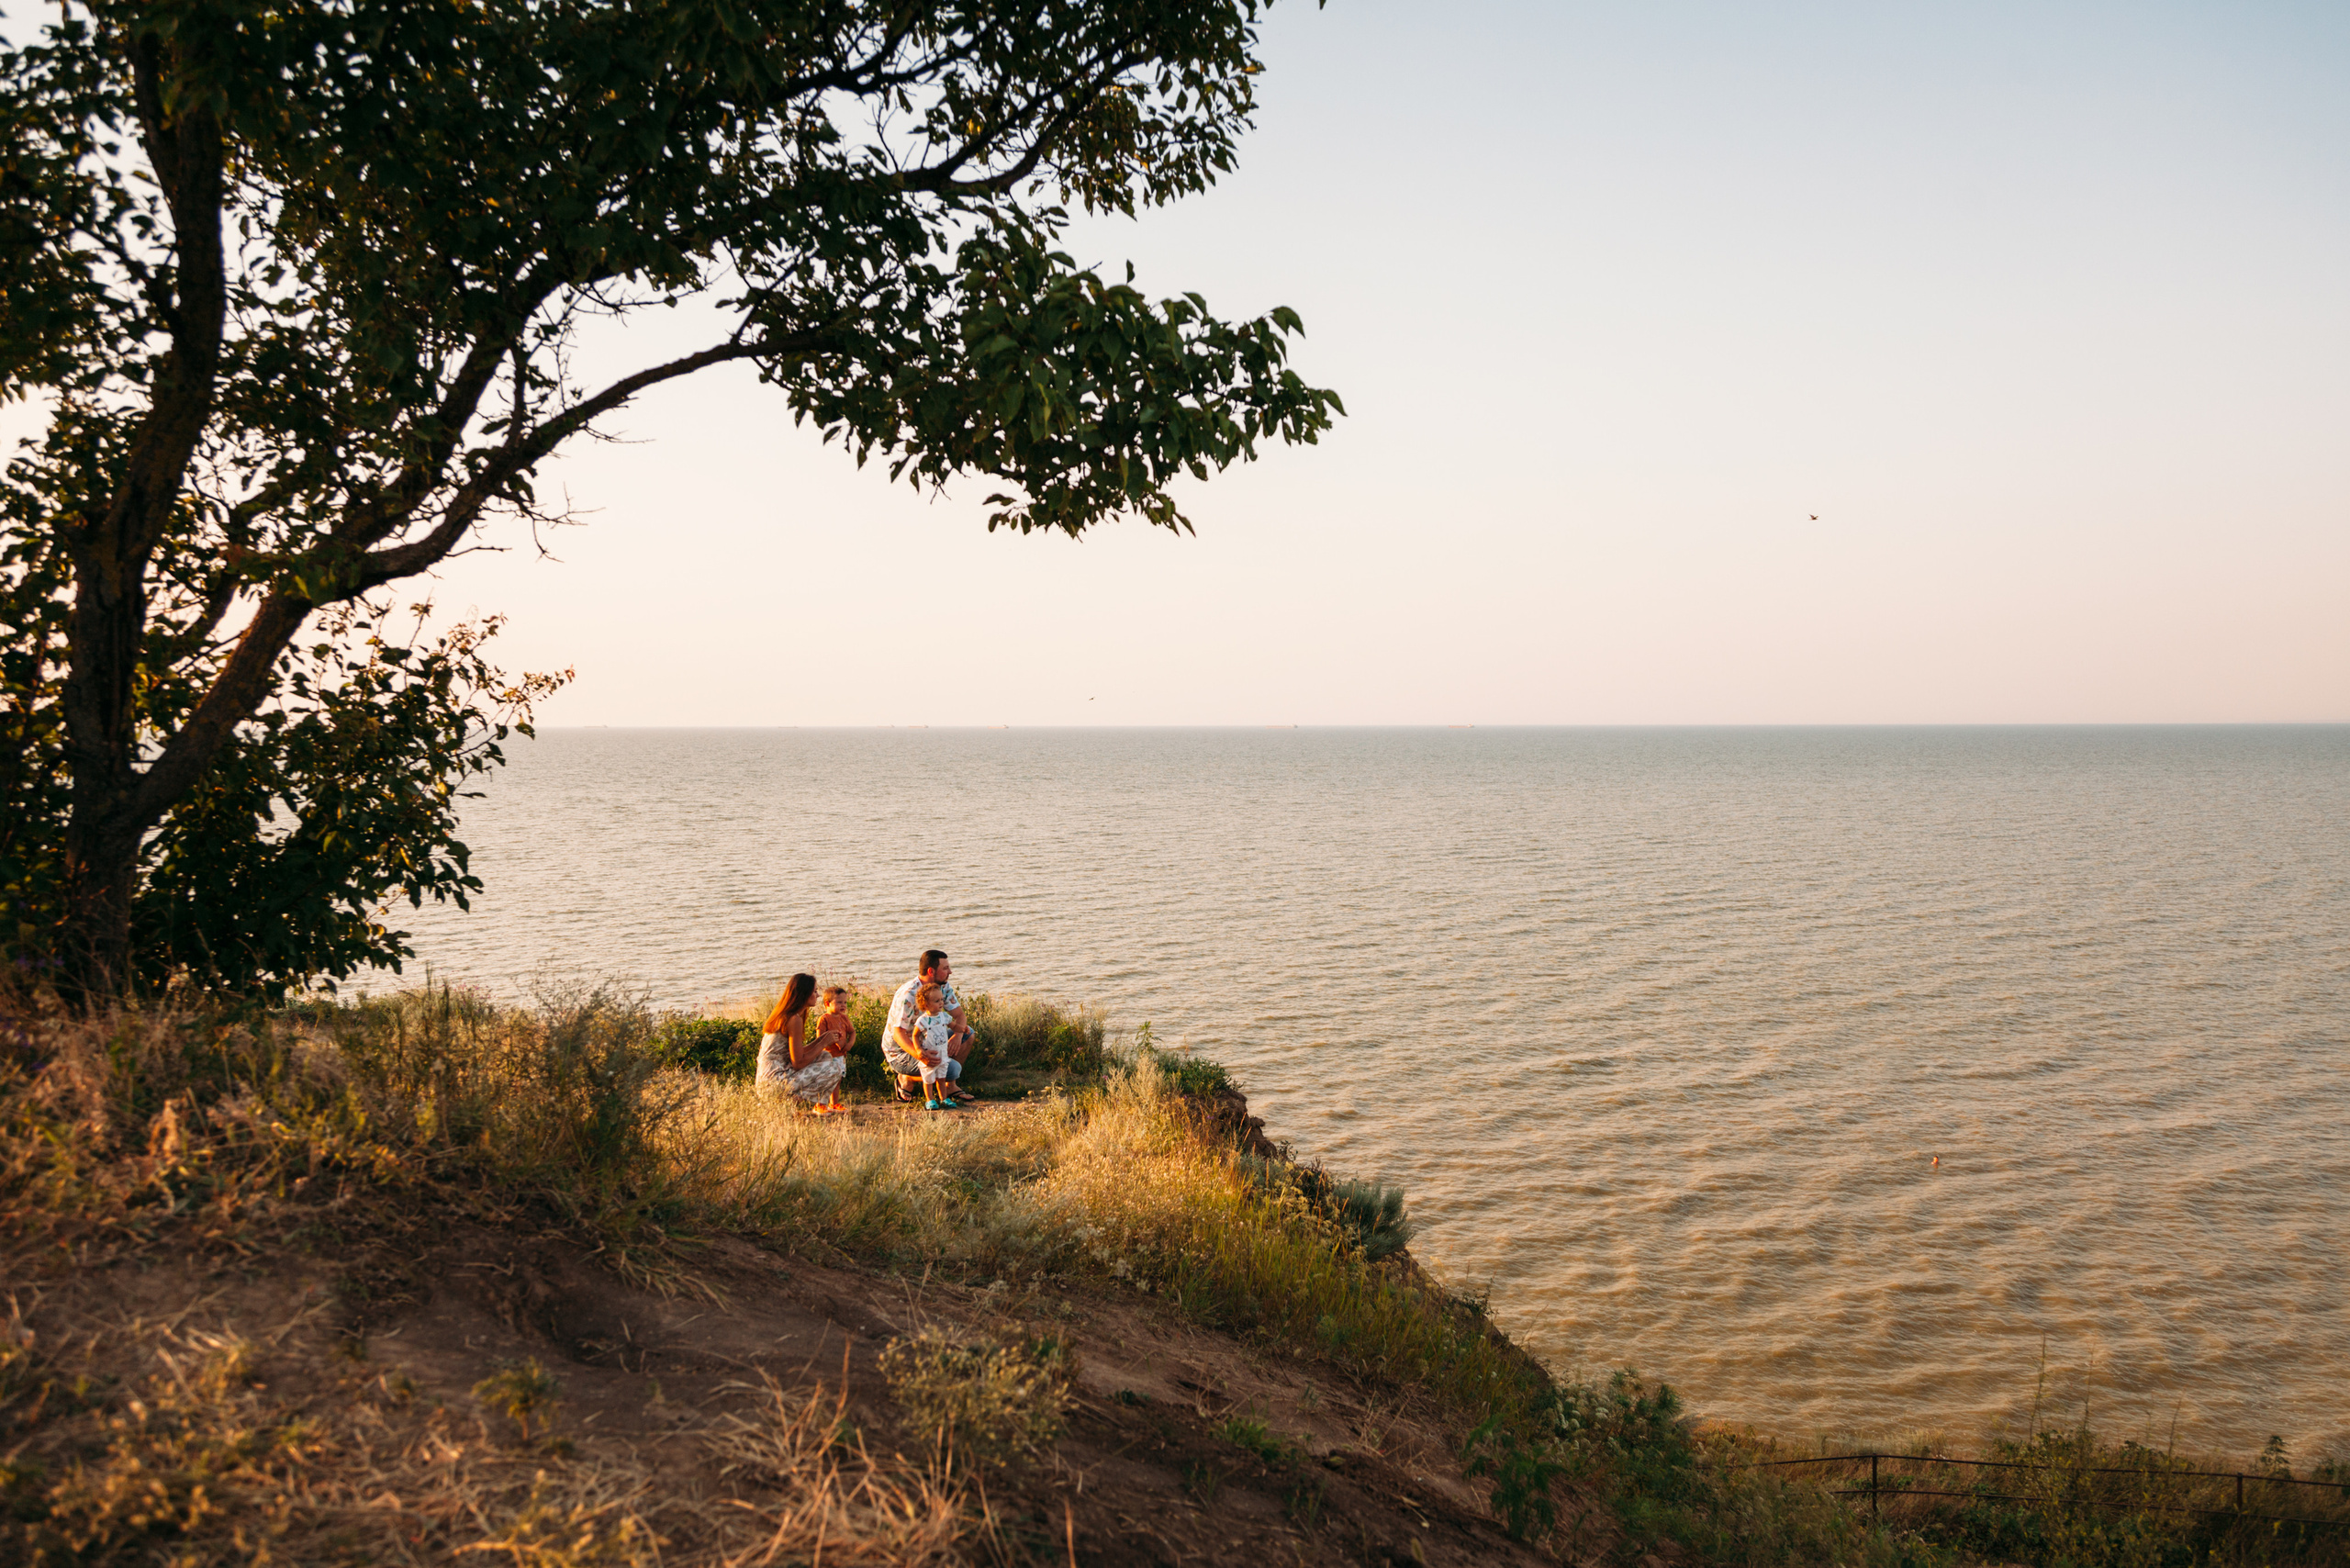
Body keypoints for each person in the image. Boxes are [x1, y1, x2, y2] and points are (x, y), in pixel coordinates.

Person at [883, 948, 975, 1103]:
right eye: (945, 968)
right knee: (952, 1069)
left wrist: (957, 1036)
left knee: (968, 1033)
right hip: (900, 1052)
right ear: (931, 971)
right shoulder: (909, 994)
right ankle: (906, 1078)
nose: (950, 972)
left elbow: (960, 1016)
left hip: (930, 1040)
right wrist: (920, 1054)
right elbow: (898, 1034)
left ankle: (950, 1086)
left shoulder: (943, 987)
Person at [755, 972, 846, 1112]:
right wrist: (823, 1043)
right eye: (815, 991)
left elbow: (797, 1053)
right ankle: (790, 1105)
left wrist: (822, 1039)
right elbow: (798, 1063)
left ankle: (815, 1106)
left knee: (824, 1056)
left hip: (768, 1081)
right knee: (834, 1069)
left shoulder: (787, 1015)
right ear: (804, 994)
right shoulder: (794, 1020)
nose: (818, 995)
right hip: (775, 1083)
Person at [909, 982, 961, 1111]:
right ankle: (930, 1100)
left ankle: (944, 1099)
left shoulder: (944, 1016)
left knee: (941, 1078)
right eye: (937, 1001)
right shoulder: (923, 1020)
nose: (941, 1003)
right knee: (928, 1079)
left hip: (943, 1054)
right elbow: (915, 1035)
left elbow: (954, 1026)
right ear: (926, 1005)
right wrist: (918, 1049)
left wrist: (962, 1029)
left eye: (942, 999)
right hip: (930, 1054)